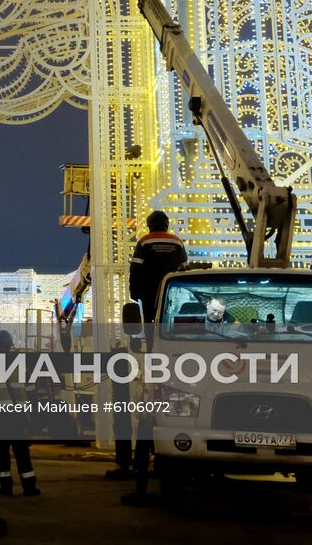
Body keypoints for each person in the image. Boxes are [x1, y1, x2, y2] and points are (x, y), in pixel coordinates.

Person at [118, 211, 186, 496]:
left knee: (150, 339)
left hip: (149, 298)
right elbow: (184, 268)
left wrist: (135, 293)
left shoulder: (144, 241)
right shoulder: (177, 241)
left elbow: (135, 270)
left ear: (149, 225)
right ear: (167, 224)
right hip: (171, 300)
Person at [0, 330, 40, 497]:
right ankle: (29, 486)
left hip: (1, 417)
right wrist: (32, 418)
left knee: (1, 453)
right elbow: (31, 392)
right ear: (9, 346)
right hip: (19, 416)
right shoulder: (20, 364)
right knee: (22, 453)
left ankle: (5, 486)